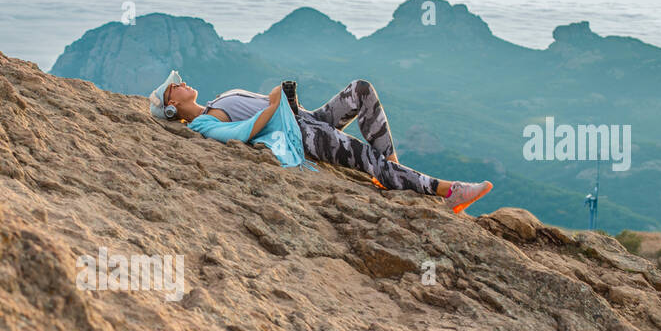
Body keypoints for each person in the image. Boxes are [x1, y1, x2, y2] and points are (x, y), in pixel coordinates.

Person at [148, 70, 493, 214]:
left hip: (305, 117)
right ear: (172, 105)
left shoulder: (215, 101)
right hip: (302, 135)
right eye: (174, 86)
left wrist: (284, 103)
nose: (181, 82)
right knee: (366, 156)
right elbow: (242, 134)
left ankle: (393, 173)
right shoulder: (208, 122)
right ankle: (450, 191)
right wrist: (274, 104)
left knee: (360, 90)